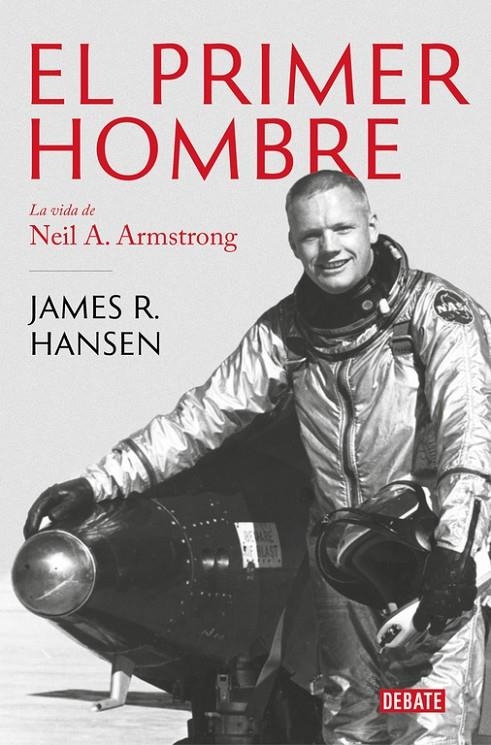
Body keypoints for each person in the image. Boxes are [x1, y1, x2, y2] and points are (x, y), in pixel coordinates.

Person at [24, 170, 491, 744]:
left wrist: (453, 555)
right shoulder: (288, 332)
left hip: (426, 559)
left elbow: (470, 442)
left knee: (425, 720)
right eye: (311, 235)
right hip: (343, 572)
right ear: (293, 243)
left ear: (372, 225)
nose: (329, 247)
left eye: (343, 228)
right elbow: (200, 418)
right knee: (353, 724)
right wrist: (98, 484)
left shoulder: (434, 316)